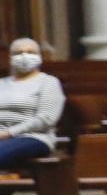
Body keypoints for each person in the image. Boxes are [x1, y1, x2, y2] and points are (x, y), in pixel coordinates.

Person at [0, 37, 64, 172]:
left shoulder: (48, 82)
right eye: (18, 53)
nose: (24, 56)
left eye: (31, 52)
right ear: (10, 57)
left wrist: (9, 133)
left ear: (39, 57)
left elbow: (46, 118)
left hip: (33, 137)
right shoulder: (2, 84)